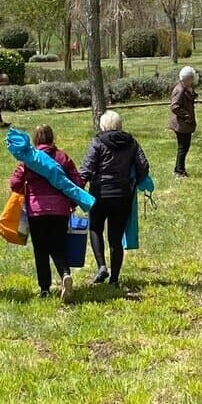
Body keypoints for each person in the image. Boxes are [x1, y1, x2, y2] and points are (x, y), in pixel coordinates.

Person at [10, 124, 85, 300]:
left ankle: (45, 288)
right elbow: (77, 182)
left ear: (35, 139)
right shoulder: (63, 157)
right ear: (52, 137)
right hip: (60, 210)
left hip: (37, 211)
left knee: (41, 250)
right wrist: (72, 202)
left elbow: (14, 183)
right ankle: (65, 274)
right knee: (59, 246)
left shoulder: (29, 158)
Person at [80, 110, 150, 285]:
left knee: (95, 228)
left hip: (100, 194)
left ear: (103, 125)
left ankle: (102, 266)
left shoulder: (97, 142)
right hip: (122, 195)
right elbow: (143, 166)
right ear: (119, 125)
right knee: (116, 238)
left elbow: (86, 169)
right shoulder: (131, 143)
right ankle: (114, 279)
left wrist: (75, 191)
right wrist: (135, 181)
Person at [169, 66, 197, 177]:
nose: (193, 80)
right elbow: (174, 106)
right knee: (183, 148)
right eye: (192, 78)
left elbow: (190, 98)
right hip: (181, 125)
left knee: (185, 147)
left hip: (185, 124)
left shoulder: (186, 87)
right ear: (187, 78)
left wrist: (192, 92)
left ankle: (180, 169)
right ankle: (179, 171)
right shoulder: (180, 89)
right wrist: (187, 116)